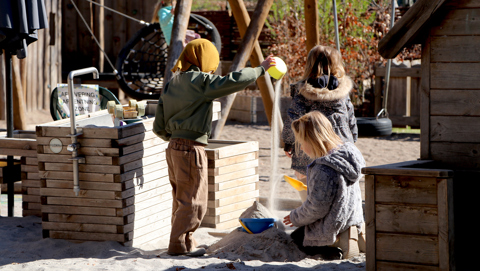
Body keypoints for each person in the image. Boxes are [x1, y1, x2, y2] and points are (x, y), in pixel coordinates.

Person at [153, 39, 276, 257]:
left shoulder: (174, 82)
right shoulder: (200, 81)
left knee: (181, 199)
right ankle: (178, 246)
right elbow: (231, 82)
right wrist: (260, 69)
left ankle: (185, 242)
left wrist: (175, 137)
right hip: (191, 148)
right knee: (194, 202)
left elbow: (159, 125)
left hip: (173, 147)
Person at [282, 111, 365, 259]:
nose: (300, 148)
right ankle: (353, 235)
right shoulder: (349, 154)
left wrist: (295, 217)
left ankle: (334, 248)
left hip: (333, 225)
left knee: (297, 239)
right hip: (352, 217)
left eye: (301, 143)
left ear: (313, 140)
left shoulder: (323, 169)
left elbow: (316, 208)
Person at [282, 45, 358, 201]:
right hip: (339, 146)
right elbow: (351, 118)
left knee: (308, 190)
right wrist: (352, 140)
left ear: (310, 64)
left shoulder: (303, 91)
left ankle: (310, 215)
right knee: (338, 188)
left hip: (309, 149)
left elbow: (293, 118)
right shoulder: (342, 92)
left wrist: (289, 143)